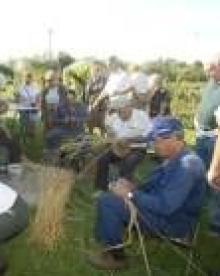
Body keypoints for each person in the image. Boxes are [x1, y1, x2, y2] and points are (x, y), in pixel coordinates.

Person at [88, 116, 206, 270]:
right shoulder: (173, 158)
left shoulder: (188, 165)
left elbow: (166, 207)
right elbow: (153, 189)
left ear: (175, 137)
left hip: (173, 222)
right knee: (112, 191)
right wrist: (132, 187)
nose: (154, 146)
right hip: (163, 212)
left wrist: (130, 195)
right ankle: (108, 243)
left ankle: (115, 258)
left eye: (157, 141)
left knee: (106, 201)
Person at [94, 95, 151, 191]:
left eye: (121, 112)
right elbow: (108, 126)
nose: (119, 115)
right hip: (119, 147)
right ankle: (101, 188)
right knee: (102, 159)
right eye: (117, 112)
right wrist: (111, 133)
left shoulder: (142, 116)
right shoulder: (115, 117)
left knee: (127, 164)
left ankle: (125, 192)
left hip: (138, 148)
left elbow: (149, 141)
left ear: (128, 107)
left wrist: (131, 141)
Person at [194, 55, 220, 235]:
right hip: (201, 136)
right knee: (200, 174)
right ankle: (197, 208)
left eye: (211, 69)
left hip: (215, 138)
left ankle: (215, 222)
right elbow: (205, 102)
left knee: (215, 177)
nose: (209, 73)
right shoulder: (212, 82)